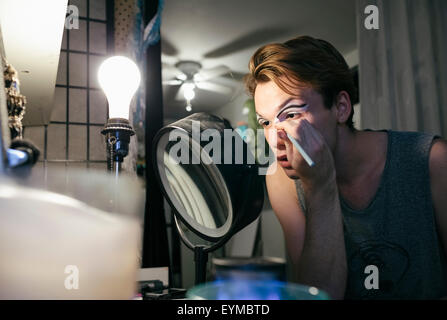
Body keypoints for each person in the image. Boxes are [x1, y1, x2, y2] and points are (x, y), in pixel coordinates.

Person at [244, 35, 447, 300]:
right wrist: (320, 187)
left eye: (291, 114)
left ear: (340, 107)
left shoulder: (432, 160)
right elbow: (317, 295)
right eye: (266, 122)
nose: (274, 140)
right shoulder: (282, 181)